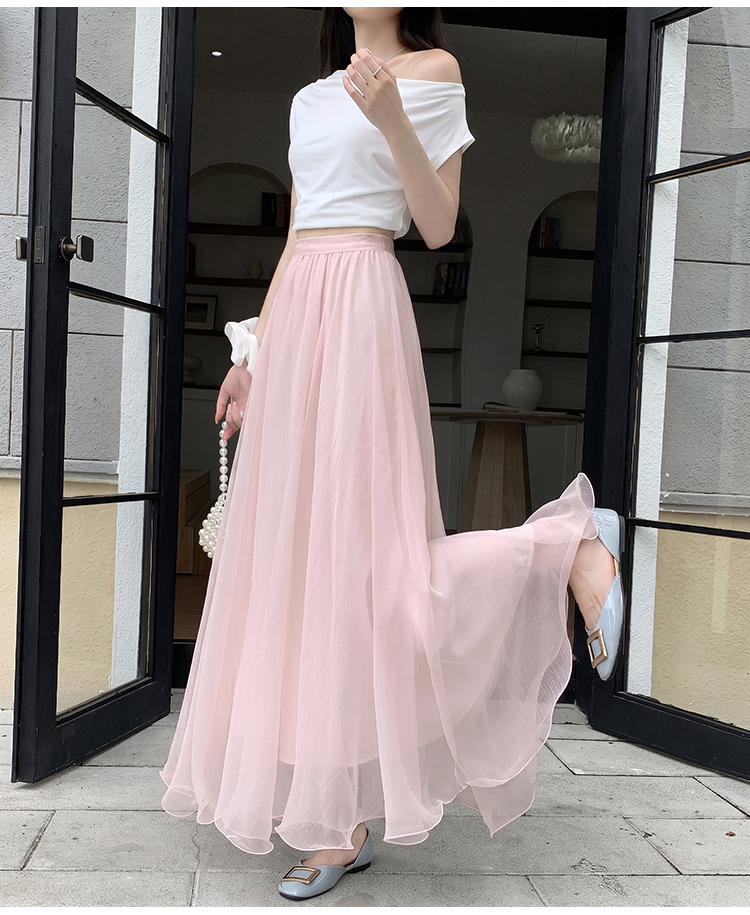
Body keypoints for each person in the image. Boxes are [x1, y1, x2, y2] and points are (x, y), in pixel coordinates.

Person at [160, 7, 625, 902]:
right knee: (303, 574)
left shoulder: (435, 71)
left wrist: (391, 119)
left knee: (377, 570)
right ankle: (340, 818)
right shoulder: (306, 100)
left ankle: (567, 544)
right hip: (300, 327)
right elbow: (297, 237)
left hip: (366, 311)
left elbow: (439, 223)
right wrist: (251, 356)